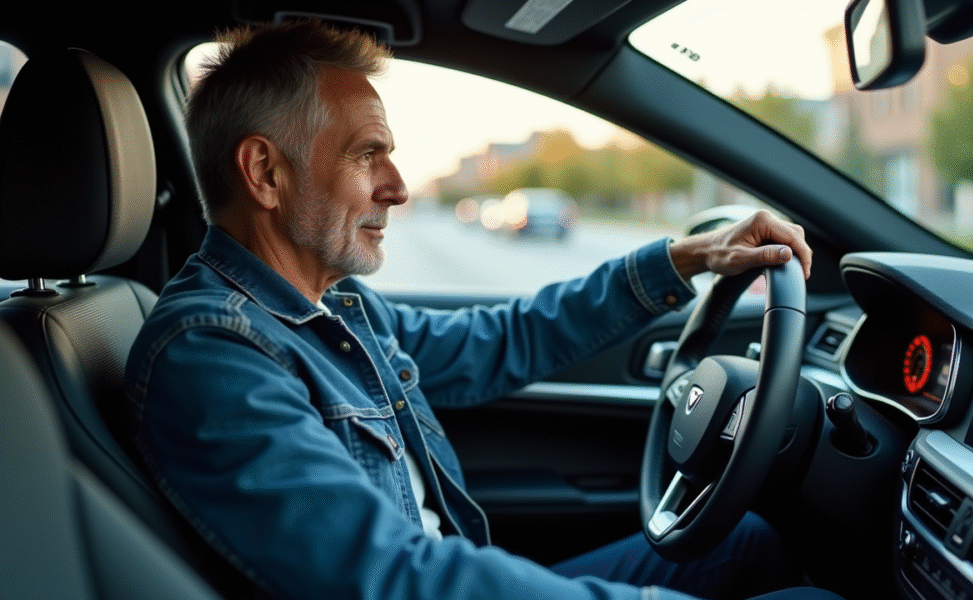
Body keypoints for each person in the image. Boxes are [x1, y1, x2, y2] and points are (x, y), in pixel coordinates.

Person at [124, 20, 838, 600]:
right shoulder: (213, 350)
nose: (399, 188)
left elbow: (505, 338)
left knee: (751, 539)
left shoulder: (336, 311)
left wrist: (687, 259)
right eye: (368, 155)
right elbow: (390, 579)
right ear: (265, 173)